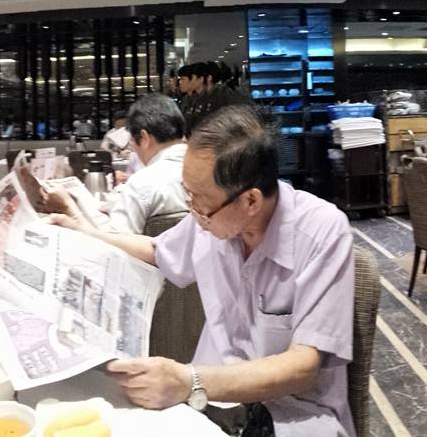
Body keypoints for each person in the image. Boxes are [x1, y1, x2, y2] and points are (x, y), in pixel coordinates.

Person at [46, 106, 355, 435]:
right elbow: (157, 251)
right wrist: (83, 232)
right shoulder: (210, 219)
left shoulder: (322, 233)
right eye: (188, 195)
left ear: (251, 201)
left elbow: (303, 366)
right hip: (211, 403)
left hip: (291, 415)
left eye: (200, 201)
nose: (192, 211)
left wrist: (189, 380)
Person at [93, 94, 189, 235]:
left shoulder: (141, 183)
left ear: (144, 137)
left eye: (132, 142)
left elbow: (120, 242)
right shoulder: (212, 168)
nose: (133, 148)